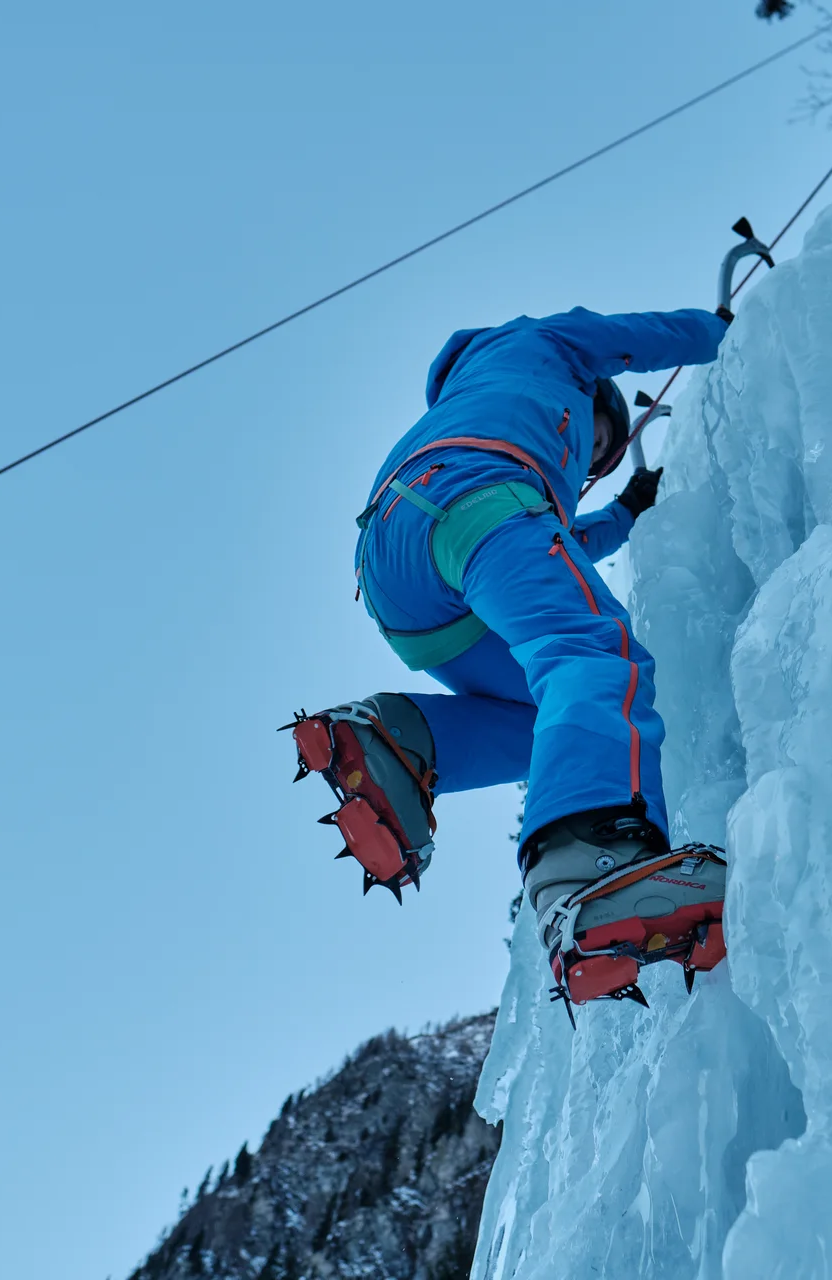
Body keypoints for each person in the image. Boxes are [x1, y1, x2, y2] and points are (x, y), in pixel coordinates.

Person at [286, 306, 732, 1007]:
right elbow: (640, 340)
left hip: (397, 569)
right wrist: (724, 329)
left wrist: (622, 513)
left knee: (546, 715)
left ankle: (401, 742)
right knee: (593, 655)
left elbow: (542, 540)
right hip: (475, 497)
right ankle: (594, 862)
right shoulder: (551, 344)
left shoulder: (479, 394)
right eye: (599, 442)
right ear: (595, 399)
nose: (588, 462)